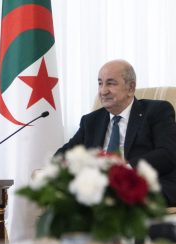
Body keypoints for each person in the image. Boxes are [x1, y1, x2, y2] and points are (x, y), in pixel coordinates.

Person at [56, 59, 176, 205]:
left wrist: (122, 171)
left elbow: (167, 153)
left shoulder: (156, 111)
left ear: (131, 88)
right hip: (100, 189)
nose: (103, 91)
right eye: (100, 83)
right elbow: (62, 156)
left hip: (144, 186)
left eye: (111, 83)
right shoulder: (91, 121)